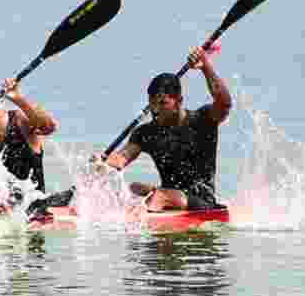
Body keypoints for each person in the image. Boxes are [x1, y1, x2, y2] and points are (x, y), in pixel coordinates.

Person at [96, 46, 232, 211]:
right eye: (152, 104)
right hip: (169, 195)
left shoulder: (203, 120)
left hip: (201, 201)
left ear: (179, 101)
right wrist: (102, 165)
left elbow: (224, 103)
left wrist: (206, 67)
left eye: (162, 103)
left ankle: (145, 214)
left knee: (159, 196)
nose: (155, 110)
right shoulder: (146, 132)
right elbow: (122, 158)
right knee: (133, 189)